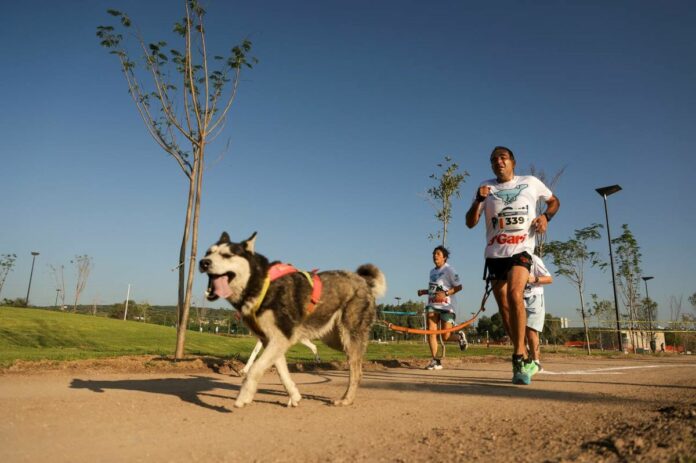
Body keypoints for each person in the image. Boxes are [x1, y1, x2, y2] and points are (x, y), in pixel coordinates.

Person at [465, 146, 560, 385]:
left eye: (503, 158)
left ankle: (518, 358)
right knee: (505, 309)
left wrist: (545, 217)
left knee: (516, 294)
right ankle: (525, 355)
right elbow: (469, 223)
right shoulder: (485, 188)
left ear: (513, 162)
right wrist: (478, 200)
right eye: (494, 159)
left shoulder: (530, 182)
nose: (498, 161)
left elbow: (554, 201)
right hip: (495, 254)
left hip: (522, 250)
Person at [417, 245, 465, 370]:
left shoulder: (450, 270)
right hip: (432, 305)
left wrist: (446, 293)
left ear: (444, 257)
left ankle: (459, 337)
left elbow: (459, 287)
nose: (435, 256)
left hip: (447, 306)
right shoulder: (432, 272)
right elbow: (435, 289)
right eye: (433, 254)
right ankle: (435, 360)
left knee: (446, 336)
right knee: (431, 332)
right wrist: (425, 291)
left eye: (438, 253)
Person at [524, 254, 553, 372]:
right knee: (519, 332)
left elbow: (549, 278)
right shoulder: (510, 259)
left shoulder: (534, 259)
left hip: (534, 297)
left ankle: (536, 362)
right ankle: (526, 360)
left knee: (530, 330)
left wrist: (533, 279)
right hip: (518, 297)